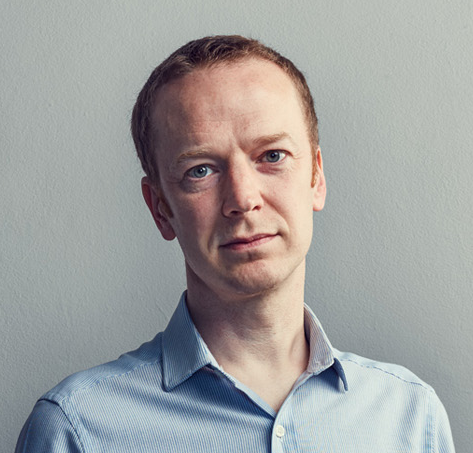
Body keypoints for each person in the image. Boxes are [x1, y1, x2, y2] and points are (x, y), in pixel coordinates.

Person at [16, 35, 455, 452]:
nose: (243, 199)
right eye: (201, 170)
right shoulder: (76, 428)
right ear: (160, 209)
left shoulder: (410, 416)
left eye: (272, 156)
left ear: (316, 177)